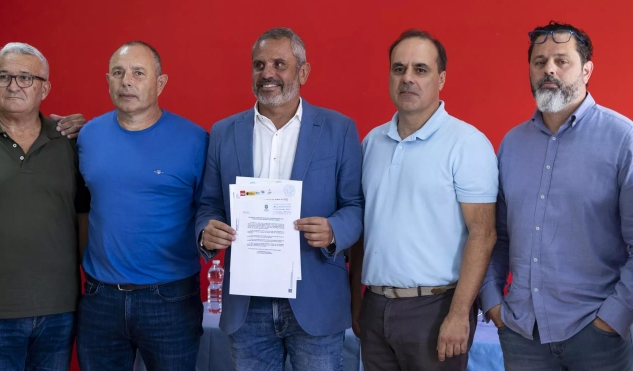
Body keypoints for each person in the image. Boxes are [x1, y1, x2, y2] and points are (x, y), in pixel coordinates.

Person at [195, 28, 363, 371]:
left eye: (279, 64)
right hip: (247, 304)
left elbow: (356, 207)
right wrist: (206, 231)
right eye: (259, 65)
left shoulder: (339, 129)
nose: (267, 73)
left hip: (315, 299)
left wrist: (333, 230)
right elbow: (209, 204)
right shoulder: (224, 132)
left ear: (303, 72)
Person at [479, 21, 633, 371]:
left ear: (587, 70)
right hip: (522, 334)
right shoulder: (511, 145)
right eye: (539, 61)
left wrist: (612, 320)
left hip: (597, 338)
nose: (549, 68)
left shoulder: (624, 140)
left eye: (562, 60)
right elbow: (495, 236)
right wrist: (493, 305)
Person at [349, 29, 498, 371]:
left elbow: (484, 233)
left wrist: (460, 313)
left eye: (421, 69)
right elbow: (362, 230)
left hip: (436, 308)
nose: (408, 79)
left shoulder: (467, 143)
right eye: (399, 69)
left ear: (441, 78)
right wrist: (355, 301)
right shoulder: (372, 142)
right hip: (375, 305)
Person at [76, 41, 209, 370]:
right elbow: (81, 208)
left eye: (138, 73)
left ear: (160, 83)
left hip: (170, 300)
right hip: (100, 298)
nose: (127, 82)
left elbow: (211, 210)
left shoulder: (196, 140)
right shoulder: (87, 136)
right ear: (108, 80)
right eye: (118, 73)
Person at [0, 42, 89, 371]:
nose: (13, 86)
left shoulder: (69, 141)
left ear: (45, 88)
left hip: (58, 313)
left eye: (26, 78)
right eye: (4, 77)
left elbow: (84, 219)